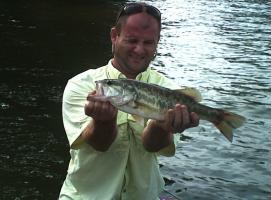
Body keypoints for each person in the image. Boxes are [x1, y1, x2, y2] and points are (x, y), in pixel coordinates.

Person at [59, 2, 200, 200]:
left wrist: (162, 126)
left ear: (157, 42)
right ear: (114, 36)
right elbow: (99, 144)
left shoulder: (170, 90)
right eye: (132, 40)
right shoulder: (81, 85)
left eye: (148, 42)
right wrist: (102, 121)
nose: (139, 50)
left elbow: (152, 146)